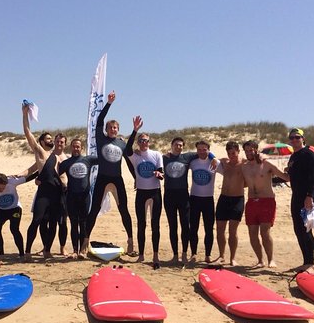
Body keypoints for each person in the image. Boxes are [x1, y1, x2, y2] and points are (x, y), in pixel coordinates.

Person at [83, 91, 136, 256]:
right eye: (111, 127)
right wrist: (109, 103)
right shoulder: (101, 138)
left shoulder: (121, 143)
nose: (113, 129)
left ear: (118, 129)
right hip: (103, 178)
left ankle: (130, 241)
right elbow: (99, 120)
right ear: (106, 129)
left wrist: (136, 178)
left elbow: (129, 161)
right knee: (94, 210)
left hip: (117, 179)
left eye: (115, 128)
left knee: (124, 210)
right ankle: (85, 240)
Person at [162, 137, 217, 264]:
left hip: (183, 195)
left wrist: (213, 157)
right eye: (176, 145)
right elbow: (156, 164)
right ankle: (175, 255)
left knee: (185, 225)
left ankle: (185, 253)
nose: (178, 147)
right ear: (171, 145)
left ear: (183, 147)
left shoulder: (187, 157)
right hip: (169, 195)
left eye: (181, 145)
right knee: (172, 226)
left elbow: (203, 152)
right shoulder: (165, 158)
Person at [21, 103, 65, 259]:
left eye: (51, 138)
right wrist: (25, 114)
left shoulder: (59, 156)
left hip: (57, 193)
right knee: (37, 220)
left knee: (53, 222)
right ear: (41, 142)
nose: (50, 140)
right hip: (44, 193)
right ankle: (27, 251)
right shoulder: (40, 152)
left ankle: (47, 250)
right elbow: (27, 132)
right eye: (47, 139)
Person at [241, 140, 290, 268]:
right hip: (251, 202)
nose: (248, 153)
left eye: (251, 150)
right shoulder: (244, 166)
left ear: (256, 150)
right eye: (246, 150)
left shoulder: (267, 164)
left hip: (267, 201)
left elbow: (285, 177)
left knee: (265, 232)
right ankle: (260, 260)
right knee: (252, 233)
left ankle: (271, 260)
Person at [125, 116, 164, 269]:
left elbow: (161, 172)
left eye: (146, 140)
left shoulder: (156, 154)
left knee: (155, 225)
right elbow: (127, 149)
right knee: (141, 224)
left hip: (155, 193)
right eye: (141, 141)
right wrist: (135, 130)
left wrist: (159, 175)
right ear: (138, 143)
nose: (143, 143)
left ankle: (155, 254)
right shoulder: (135, 157)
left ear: (149, 142)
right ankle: (141, 254)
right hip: (141, 193)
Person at [57, 139, 98, 259]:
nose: (76, 149)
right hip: (71, 197)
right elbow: (54, 174)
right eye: (74, 147)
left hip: (85, 197)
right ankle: (75, 250)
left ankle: (82, 251)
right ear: (71, 148)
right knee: (74, 224)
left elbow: (103, 157)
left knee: (83, 223)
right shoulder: (66, 163)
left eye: (78, 147)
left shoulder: (88, 160)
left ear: (82, 148)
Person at [286, 128, 314, 273]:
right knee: (298, 229)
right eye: (291, 138)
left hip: (307, 196)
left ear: (303, 139)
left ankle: (311, 263)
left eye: (297, 137)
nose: (294, 140)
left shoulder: (308, 154)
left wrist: (309, 196)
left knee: (306, 228)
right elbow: (292, 176)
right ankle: (305, 262)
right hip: (296, 196)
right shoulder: (294, 156)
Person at [0, 173, 33, 258]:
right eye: (0, 188)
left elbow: (29, 177)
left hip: (15, 208)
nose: (2, 190)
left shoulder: (12, 182)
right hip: (1, 210)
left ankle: (22, 254)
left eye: (4, 187)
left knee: (14, 229)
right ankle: (1, 254)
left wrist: (41, 170)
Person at [188, 140, 222, 263]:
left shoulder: (214, 162)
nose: (202, 152)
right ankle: (194, 253)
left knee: (209, 228)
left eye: (204, 149)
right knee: (194, 228)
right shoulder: (193, 161)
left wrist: (213, 157)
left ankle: (208, 254)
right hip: (194, 198)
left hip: (208, 199)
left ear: (209, 150)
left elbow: (227, 172)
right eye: (199, 149)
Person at [215, 141, 245, 266]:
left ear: (238, 151)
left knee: (233, 231)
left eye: (233, 153)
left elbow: (259, 159)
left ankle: (232, 258)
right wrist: (214, 159)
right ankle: (221, 256)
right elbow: (214, 158)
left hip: (237, 199)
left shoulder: (244, 163)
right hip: (223, 198)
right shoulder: (225, 162)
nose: (231, 155)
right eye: (229, 153)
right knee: (220, 229)